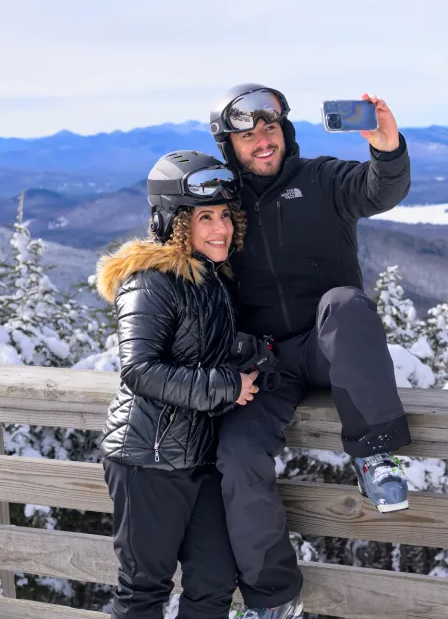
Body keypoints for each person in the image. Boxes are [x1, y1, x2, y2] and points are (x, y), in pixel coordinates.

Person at [206, 83, 413, 614]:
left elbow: (378, 190)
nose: (262, 141)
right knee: (237, 456)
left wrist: (386, 148)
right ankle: (273, 599)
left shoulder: (321, 178)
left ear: (285, 131)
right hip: (262, 363)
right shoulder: (222, 205)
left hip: (327, 347)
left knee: (347, 304)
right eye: (248, 135)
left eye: (270, 129)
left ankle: (375, 456)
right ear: (230, 146)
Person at [95, 151, 289, 618]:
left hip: (200, 459)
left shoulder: (211, 279)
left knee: (214, 583)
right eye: (205, 217)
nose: (220, 227)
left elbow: (198, 346)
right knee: (144, 590)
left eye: (225, 215)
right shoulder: (150, 281)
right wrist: (227, 385)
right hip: (148, 460)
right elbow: (139, 370)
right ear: (173, 221)